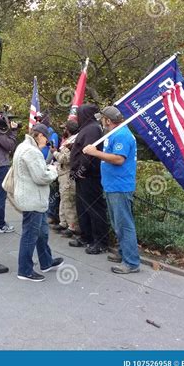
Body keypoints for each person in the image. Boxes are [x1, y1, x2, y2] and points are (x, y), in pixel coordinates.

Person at [83, 106, 140, 274]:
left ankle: (131, 262)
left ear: (108, 120)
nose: (101, 121)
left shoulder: (122, 134)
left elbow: (118, 159)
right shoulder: (115, 133)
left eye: (102, 119)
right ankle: (124, 254)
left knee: (124, 225)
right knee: (118, 224)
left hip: (120, 186)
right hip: (112, 185)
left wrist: (95, 153)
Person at [12, 123, 64, 282]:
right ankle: (25, 270)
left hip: (32, 198)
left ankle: (46, 262)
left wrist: (46, 169)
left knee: (42, 232)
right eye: (46, 139)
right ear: (40, 136)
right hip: (32, 199)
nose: (47, 142)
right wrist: (54, 170)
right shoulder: (32, 152)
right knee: (30, 235)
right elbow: (41, 177)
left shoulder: (23, 146)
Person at [69, 104, 110, 254]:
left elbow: (89, 153)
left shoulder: (92, 129)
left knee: (95, 209)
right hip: (82, 176)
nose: (77, 117)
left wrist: (80, 170)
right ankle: (87, 236)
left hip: (89, 176)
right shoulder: (86, 128)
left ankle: (101, 242)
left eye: (79, 114)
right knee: (82, 207)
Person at [52, 120, 80, 238]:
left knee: (68, 201)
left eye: (65, 128)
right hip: (62, 174)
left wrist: (55, 153)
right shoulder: (68, 140)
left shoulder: (74, 141)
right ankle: (63, 222)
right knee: (63, 199)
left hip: (68, 174)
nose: (63, 131)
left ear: (68, 130)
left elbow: (66, 159)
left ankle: (72, 226)